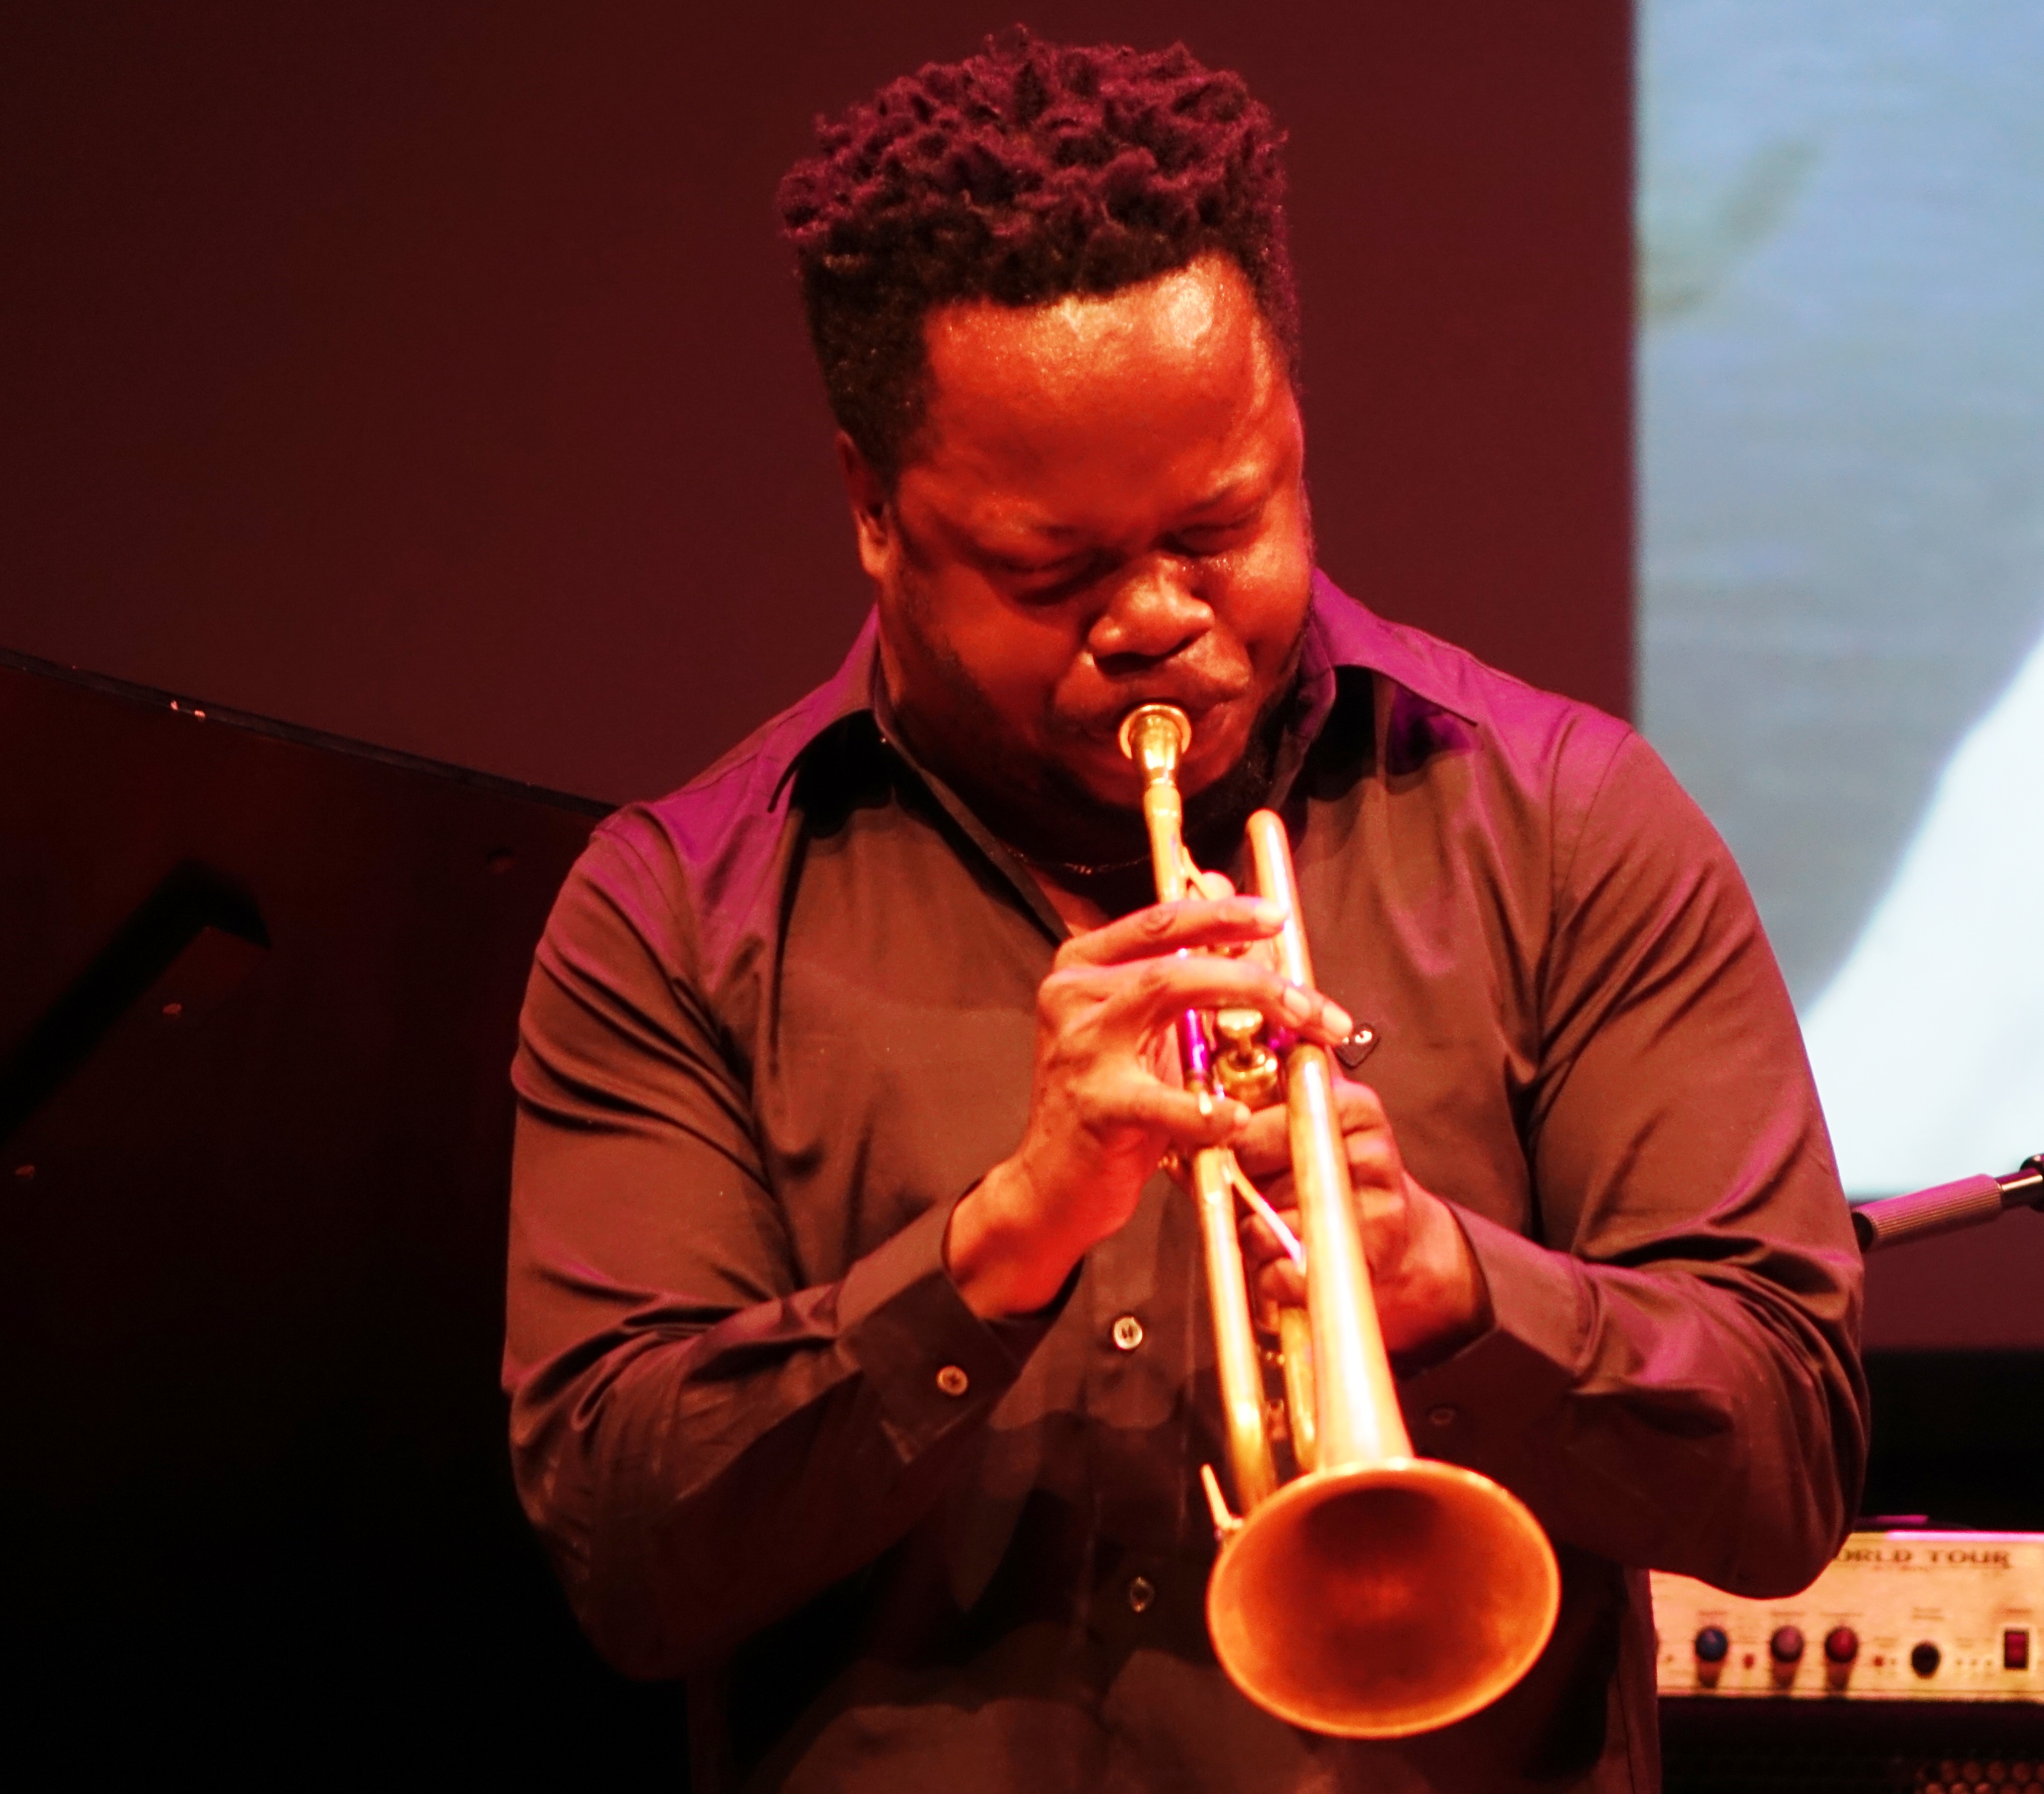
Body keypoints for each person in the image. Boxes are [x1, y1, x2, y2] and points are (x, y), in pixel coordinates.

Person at [504, 32, 1865, 1793]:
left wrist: (1448, 1284)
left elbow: (1783, 1471)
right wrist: (1002, 1240)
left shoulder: (1564, 819)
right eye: (1052, 570)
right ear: (871, 511)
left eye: (1220, 527)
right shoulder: (673, 909)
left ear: (1289, 427)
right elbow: (624, 1550)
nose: (1155, 618)